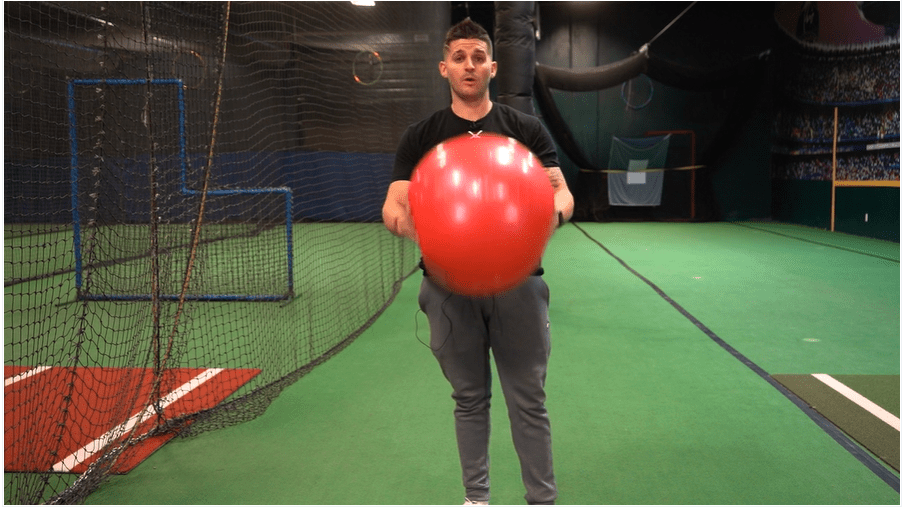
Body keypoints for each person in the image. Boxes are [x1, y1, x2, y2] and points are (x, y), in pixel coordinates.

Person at [382, 18, 573, 506]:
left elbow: (562, 195)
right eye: (459, 57)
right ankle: (476, 499)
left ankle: (541, 500)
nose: (469, 65)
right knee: (469, 399)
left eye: (478, 57)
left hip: (518, 285)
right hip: (447, 288)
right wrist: (420, 229)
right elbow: (394, 206)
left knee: (528, 400)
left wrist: (544, 218)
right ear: (444, 67)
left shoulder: (525, 131)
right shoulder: (421, 136)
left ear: (493, 66)